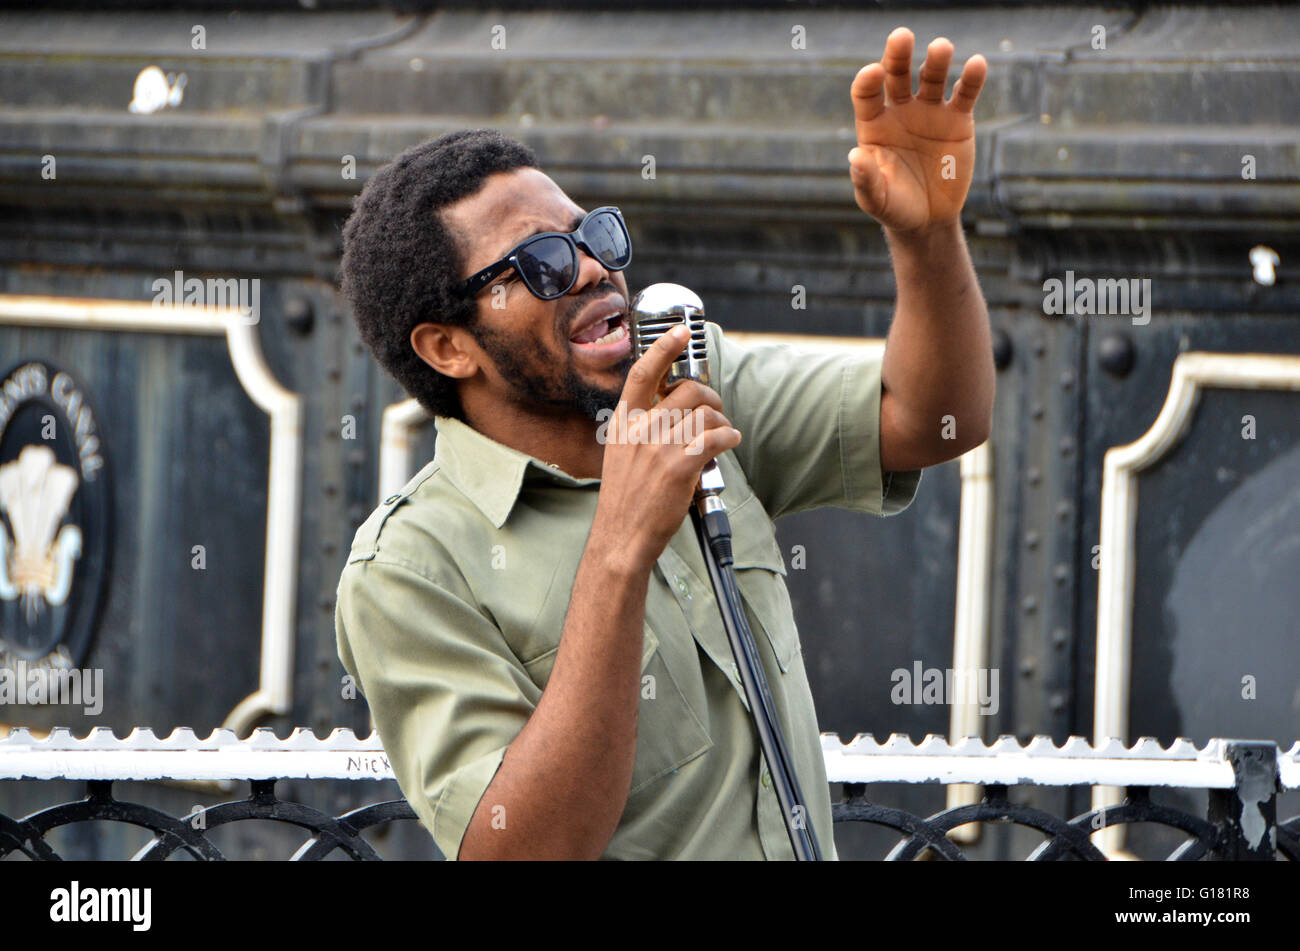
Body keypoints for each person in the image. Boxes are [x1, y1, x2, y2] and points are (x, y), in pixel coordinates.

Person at [334, 26, 993, 860]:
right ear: (449, 347)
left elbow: (936, 418)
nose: (588, 270)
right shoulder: (409, 569)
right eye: (536, 263)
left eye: (592, 235)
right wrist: (621, 545)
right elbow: (526, 848)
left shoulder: (690, 375)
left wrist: (928, 236)